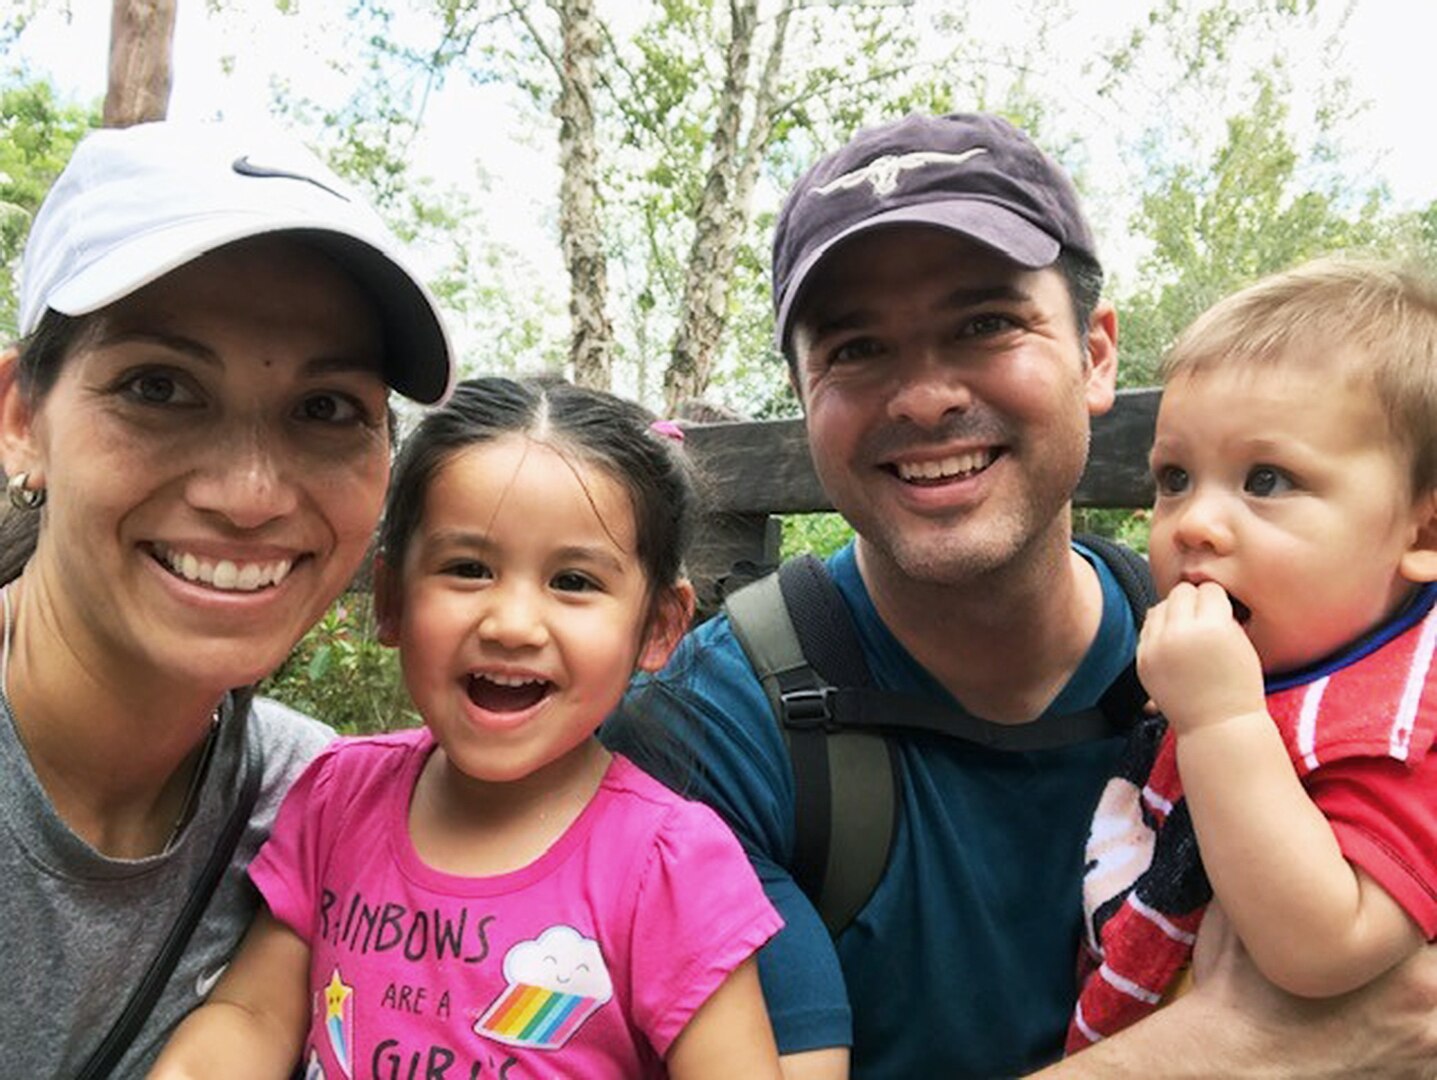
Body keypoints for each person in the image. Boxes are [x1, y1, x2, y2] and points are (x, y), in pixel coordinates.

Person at [603, 111, 1437, 1079]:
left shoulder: (1293, 654)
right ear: (803, 395)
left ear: (1096, 355)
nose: (923, 397)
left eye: (987, 323)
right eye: (857, 349)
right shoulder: (712, 738)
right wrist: (1242, 1051)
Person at [151, 377, 786, 1079]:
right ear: (391, 600)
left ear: (658, 626)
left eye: (573, 581)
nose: (511, 624)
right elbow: (254, 1015)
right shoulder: (338, 796)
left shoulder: (669, 867)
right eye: (468, 568)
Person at [0, 118, 454, 1076]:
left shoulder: (323, 806)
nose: (250, 496)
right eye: (159, 387)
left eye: (326, 408)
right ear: (21, 420)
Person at [1068, 258, 1437, 1050]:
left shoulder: (1398, 728)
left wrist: (1218, 721)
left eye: (1265, 479)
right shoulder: (1271, 666)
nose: (1192, 524)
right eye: (1173, 478)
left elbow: (1323, 947)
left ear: (1423, 532)